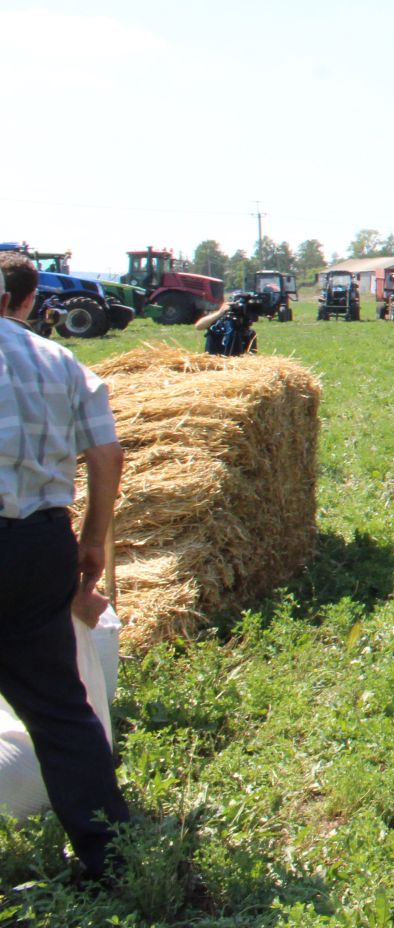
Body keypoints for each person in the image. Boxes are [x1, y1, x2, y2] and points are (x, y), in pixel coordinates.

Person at [0, 251, 131, 881]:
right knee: (59, 708)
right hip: (37, 545)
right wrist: (92, 542)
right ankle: (111, 860)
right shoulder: (61, 361)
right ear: (26, 303)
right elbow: (107, 455)